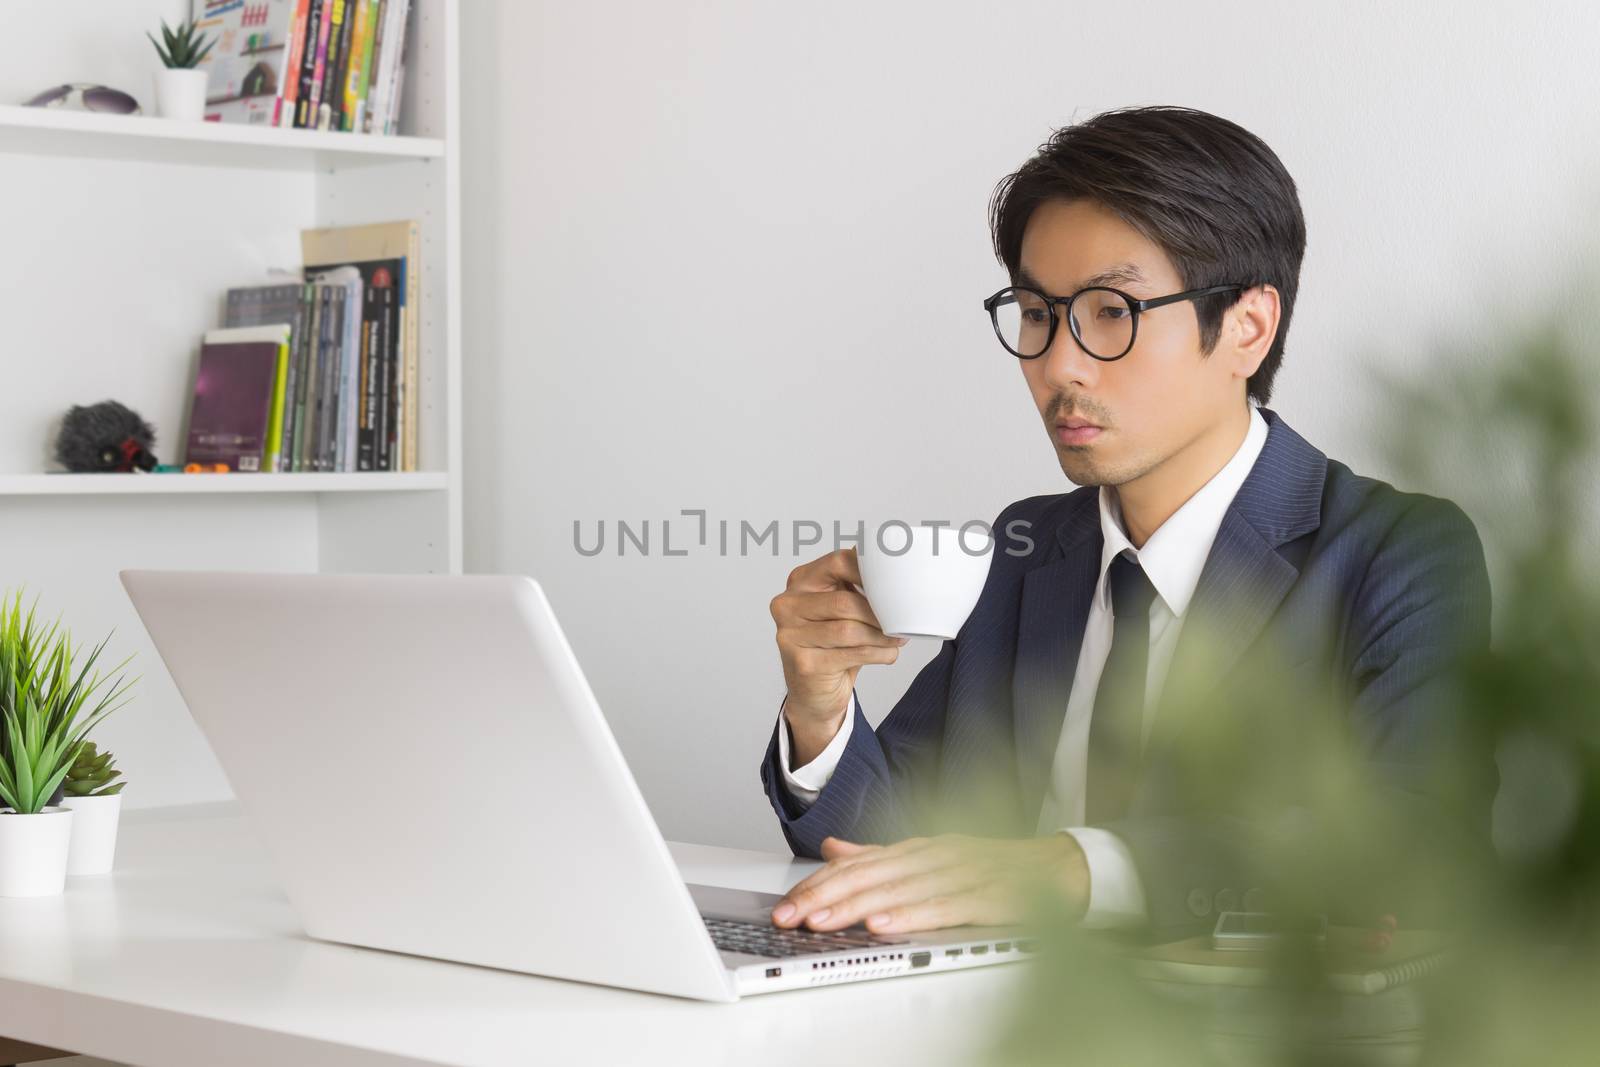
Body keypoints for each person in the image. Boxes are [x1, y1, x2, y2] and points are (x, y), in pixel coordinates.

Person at [759, 105, 1494, 938]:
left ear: (1248, 328)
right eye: (1036, 313)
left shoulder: (1397, 552)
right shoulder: (1024, 547)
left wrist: (1077, 866)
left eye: (1112, 310)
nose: (1058, 364)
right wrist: (820, 713)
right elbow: (890, 850)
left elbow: (1419, 846)